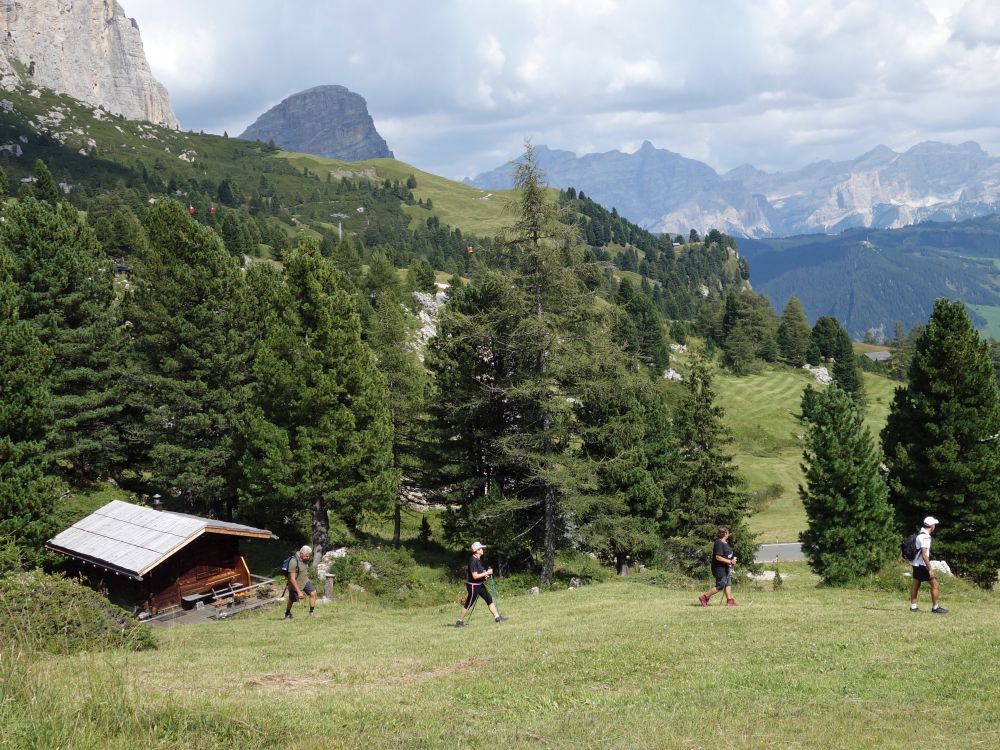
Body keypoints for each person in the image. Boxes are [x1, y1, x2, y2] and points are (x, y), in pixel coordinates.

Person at [455, 541, 507, 627]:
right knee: (469, 604)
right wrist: (486, 572)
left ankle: (497, 617)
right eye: (481, 548)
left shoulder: (478, 559)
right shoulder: (473, 560)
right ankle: (459, 622)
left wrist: (485, 575)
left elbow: (480, 572)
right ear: (477, 550)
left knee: (489, 599)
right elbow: (475, 576)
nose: (483, 549)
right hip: (473, 586)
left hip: (479, 584)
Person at [910, 516, 947, 614]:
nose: (935, 526)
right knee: (935, 584)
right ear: (931, 526)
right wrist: (930, 568)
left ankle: (913, 607)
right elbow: (924, 555)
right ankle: (935, 607)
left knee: (916, 584)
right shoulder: (926, 537)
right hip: (922, 565)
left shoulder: (920, 534)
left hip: (915, 564)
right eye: (934, 524)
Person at [698, 526, 738, 607]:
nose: (729, 534)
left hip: (726, 567)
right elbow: (718, 557)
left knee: (728, 583)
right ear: (725, 533)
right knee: (720, 585)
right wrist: (729, 561)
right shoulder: (719, 543)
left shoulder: (725, 543)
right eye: (728, 532)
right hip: (720, 568)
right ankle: (704, 597)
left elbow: (727, 555)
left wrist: (732, 560)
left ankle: (730, 601)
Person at [284, 545, 317, 619]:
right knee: (292, 600)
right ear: (301, 554)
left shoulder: (304, 559)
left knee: (313, 593)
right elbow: (292, 579)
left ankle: (312, 612)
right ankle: (287, 613)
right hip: (295, 583)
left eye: (309, 556)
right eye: (307, 556)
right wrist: (299, 592)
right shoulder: (293, 561)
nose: (308, 558)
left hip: (305, 581)